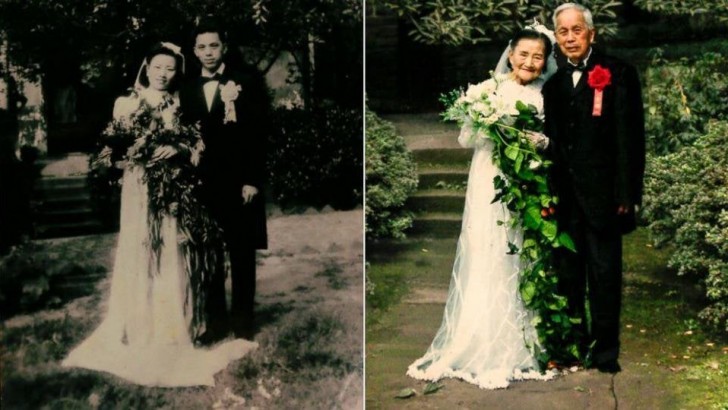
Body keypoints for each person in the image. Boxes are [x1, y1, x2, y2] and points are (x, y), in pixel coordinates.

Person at [62, 43, 257, 387]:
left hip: (172, 188)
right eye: (158, 67)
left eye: (170, 68)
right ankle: (138, 325)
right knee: (141, 246)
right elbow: (114, 148)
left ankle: (173, 324)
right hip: (139, 186)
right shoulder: (126, 103)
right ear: (146, 67)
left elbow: (196, 142)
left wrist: (178, 147)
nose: (164, 74)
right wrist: (139, 150)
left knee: (170, 248)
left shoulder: (180, 102)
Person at [407, 25, 558, 389]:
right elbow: (466, 137)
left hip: (528, 180)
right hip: (490, 176)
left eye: (538, 56)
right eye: (524, 54)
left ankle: (523, 336)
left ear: (545, 62)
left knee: (523, 248)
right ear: (510, 53)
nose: (530, 62)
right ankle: (479, 335)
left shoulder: (547, 95)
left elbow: (559, 136)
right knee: (487, 247)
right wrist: (487, 124)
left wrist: (541, 141)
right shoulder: (488, 91)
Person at [542, 3, 645, 373]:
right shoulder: (552, 86)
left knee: (604, 277)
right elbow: (554, 141)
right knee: (569, 277)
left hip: (605, 199)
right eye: (563, 32)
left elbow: (630, 138)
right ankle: (575, 346)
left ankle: (606, 352)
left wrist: (626, 194)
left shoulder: (617, 73)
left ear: (591, 33)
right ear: (556, 37)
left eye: (576, 30)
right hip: (566, 200)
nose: (570, 37)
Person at [179, 20, 270, 345]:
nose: (208, 52)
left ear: (224, 47)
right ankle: (215, 323)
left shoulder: (245, 82)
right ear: (193, 51)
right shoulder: (186, 89)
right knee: (209, 256)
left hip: (239, 183)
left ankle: (244, 322)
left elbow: (260, 135)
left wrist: (252, 181)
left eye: (213, 46)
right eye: (201, 47)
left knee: (242, 252)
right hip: (203, 186)